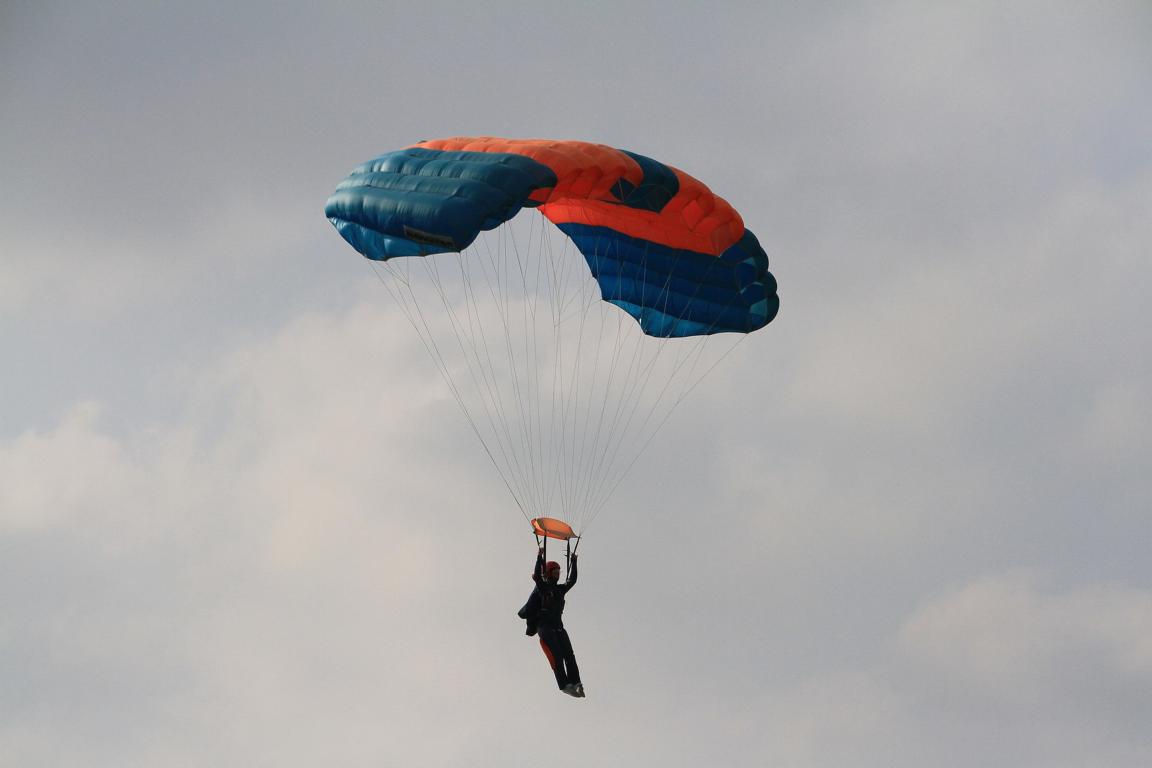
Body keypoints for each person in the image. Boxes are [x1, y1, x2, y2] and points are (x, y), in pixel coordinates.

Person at [519, 547, 583, 697]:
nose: (557, 574)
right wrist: (539, 557)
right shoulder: (542, 587)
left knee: (569, 655)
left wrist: (574, 562)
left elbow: (572, 580)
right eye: (555, 571)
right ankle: (564, 685)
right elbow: (537, 577)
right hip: (545, 626)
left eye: (558, 571)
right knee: (556, 655)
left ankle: (576, 682)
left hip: (558, 626)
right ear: (548, 573)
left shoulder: (560, 590)